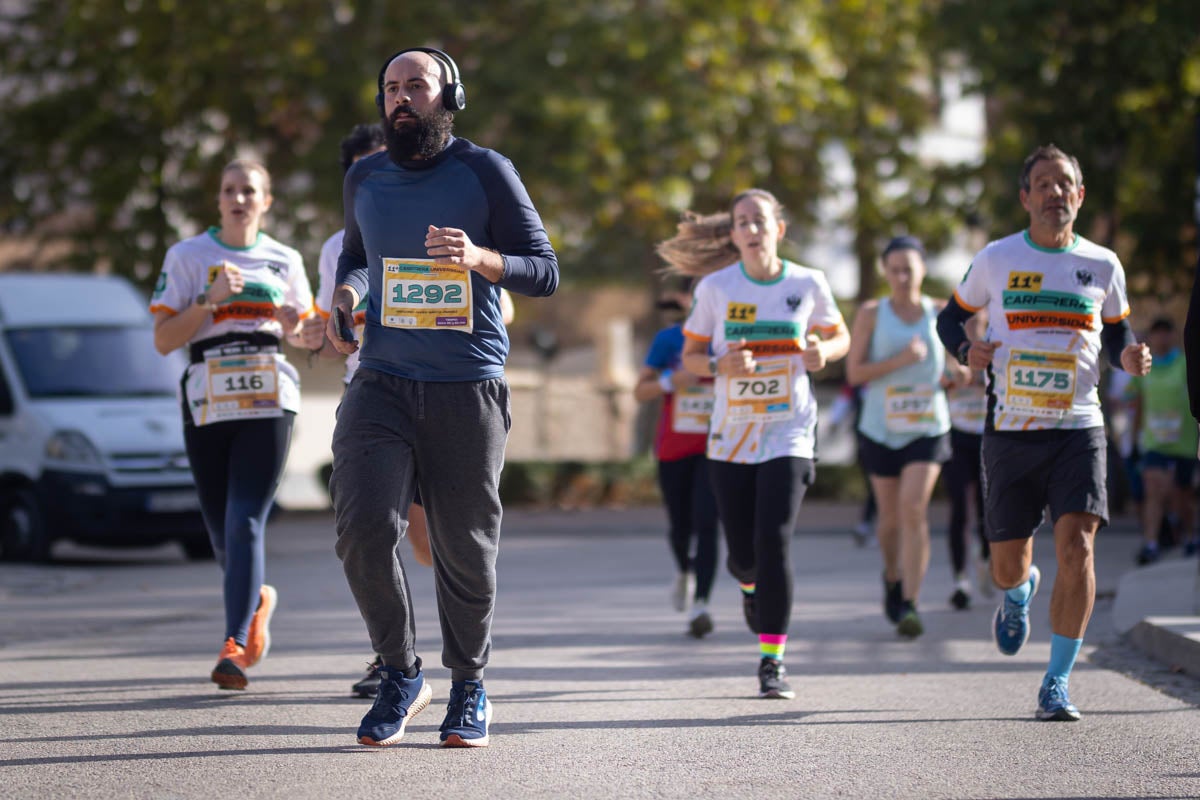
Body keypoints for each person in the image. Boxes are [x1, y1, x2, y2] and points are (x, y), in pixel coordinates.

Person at [326, 47, 557, 748]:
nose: (402, 98)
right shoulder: (364, 176)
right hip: (381, 381)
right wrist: (346, 296)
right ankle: (400, 673)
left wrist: (480, 258)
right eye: (391, 88)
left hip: (466, 384)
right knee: (362, 527)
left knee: (464, 549)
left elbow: (544, 271)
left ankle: (469, 685)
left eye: (416, 86)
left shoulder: (486, 171)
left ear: (448, 94)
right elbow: (358, 257)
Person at [937, 144, 1152, 721]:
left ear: (1079, 196)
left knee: (1078, 546)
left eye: (1064, 184)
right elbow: (950, 318)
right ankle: (1017, 592)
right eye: (1043, 184)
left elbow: (1117, 332)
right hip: (1011, 428)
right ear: (1025, 198)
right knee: (1006, 564)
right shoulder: (997, 258)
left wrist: (1127, 356)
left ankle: (1056, 682)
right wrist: (966, 349)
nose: (1055, 193)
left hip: (1080, 426)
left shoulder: (1103, 264)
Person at [659, 188, 851, 700]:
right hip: (731, 436)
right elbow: (692, 357)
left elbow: (840, 336)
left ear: (778, 229)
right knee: (743, 556)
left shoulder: (808, 282)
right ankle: (749, 586)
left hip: (789, 431)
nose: (751, 229)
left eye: (759, 220)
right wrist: (719, 364)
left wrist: (824, 352)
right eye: (742, 221)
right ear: (733, 233)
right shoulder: (716, 288)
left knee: (774, 541)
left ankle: (772, 661)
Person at [150, 158, 324, 690]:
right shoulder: (188, 256)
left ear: (266, 201)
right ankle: (256, 601)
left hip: (268, 394)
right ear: (219, 200)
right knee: (219, 528)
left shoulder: (284, 258)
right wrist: (209, 301)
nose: (239, 199)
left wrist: (300, 327)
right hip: (208, 395)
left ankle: (233, 644)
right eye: (230, 190)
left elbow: (306, 334)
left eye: (249, 190)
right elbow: (163, 340)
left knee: (245, 518)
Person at [846, 236, 963, 639]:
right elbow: (854, 373)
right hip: (880, 427)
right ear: (885, 271)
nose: (901, 277)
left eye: (908, 269)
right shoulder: (871, 313)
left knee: (913, 509)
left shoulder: (940, 311)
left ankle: (911, 603)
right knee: (890, 519)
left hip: (927, 425)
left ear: (923, 269)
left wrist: (957, 374)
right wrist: (900, 361)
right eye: (894, 270)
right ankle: (892, 576)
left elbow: (953, 366)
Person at [633, 277, 719, 639]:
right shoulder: (668, 340)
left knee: (708, 522)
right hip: (674, 446)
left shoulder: (728, 338)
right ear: (687, 299)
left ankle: (701, 605)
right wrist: (673, 381)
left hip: (718, 446)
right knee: (680, 525)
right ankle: (684, 569)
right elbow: (640, 391)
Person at [1125, 317, 1198, 563]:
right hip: (1154, 443)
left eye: (1166, 332)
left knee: (1182, 495)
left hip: (1184, 443)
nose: (1162, 337)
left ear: (1174, 336)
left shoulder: (1185, 364)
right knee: (1153, 489)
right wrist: (1133, 441)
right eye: (1157, 333)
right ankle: (1151, 543)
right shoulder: (1144, 367)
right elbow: (1137, 404)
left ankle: (1189, 536)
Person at [942, 309, 991, 608]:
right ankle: (960, 580)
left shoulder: (995, 346)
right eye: (968, 319)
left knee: (987, 507)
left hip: (987, 437)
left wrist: (983, 380)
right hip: (956, 435)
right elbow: (932, 383)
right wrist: (951, 378)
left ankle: (985, 557)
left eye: (979, 319)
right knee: (959, 508)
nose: (973, 324)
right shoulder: (949, 350)